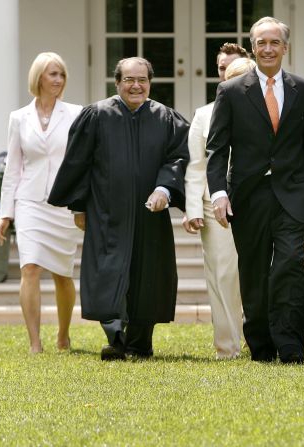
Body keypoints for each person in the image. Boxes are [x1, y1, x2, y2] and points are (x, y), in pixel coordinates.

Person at [48, 57, 189, 361]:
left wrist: (165, 188)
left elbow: (178, 158)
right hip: (107, 212)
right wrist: (79, 207)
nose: (136, 86)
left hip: (150, 213)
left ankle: (140, 342)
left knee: (148, 277)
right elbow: (79, 165)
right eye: (129, 80)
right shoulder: (97, 116)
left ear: (150, 83)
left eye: (142, 80)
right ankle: (116, 337)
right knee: (106, 274)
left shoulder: (166, 119)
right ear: (117, 82)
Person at [206, 17, 304, 364]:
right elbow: (217, 148)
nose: (268, 49)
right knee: (255, 271)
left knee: (290, 264)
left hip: (293, 192)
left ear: (285, 48)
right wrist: (218, 193)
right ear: (254, 46)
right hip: (248, 195)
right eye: (262, 42)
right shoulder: (231, 91)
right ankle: (261, 345)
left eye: (274, 42)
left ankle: (291, 345)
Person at [0, 52, 82, 354]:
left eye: (61, 74)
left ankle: (63, 335)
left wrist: (83, 204)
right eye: (52, 74)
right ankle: (35, 342)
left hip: (64, 205)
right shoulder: (18, 118)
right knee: (29, 268)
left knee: (62, 274)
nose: (58, 80)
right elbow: (13, 168)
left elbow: (83, 161)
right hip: (29, 202)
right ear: (38, 78)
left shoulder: (76, 113)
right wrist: (5, 213)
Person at [183, 45, 252, 360]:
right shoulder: (203, 114)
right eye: (226, 72)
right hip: (214, 207)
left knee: (256, 273)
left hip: (256, 203)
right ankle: (227, 346)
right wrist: (194, 209)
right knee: (222, 275)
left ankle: (258, 336)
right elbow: (196, 165)